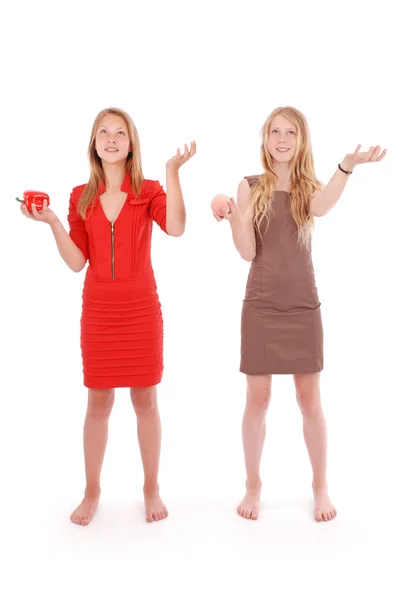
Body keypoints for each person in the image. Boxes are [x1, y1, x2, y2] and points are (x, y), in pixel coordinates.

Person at [20, 107, 196, 525]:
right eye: (104, 132)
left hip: (140, 311)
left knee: (145, 399)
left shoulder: (149, 190)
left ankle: (151, 488)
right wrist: (51, 223)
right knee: (98, 402)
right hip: (99, 312)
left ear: (131, 143)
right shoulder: (80, 195)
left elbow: (176, 228)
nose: (112, 138)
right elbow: (77, 262)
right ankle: (92, 490)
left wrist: (172, 172)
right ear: (94, 143)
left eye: (120, 132)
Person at [211, 106, 385, 522]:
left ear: (301, 140)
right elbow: (248, 252)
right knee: (258, 399)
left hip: (303, 305)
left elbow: (323, 208)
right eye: (276, 132)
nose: (283, 139)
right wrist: (234, 218)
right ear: (265, 138)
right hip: (260, 306)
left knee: (310, 401)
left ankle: (320, 487)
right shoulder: (249, 185)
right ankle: (253, 487)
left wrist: (346, 165)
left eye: (291, 132)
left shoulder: (310, 186)